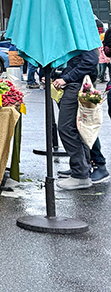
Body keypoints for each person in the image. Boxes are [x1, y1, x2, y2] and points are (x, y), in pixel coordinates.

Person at [53, 48, 101, 190]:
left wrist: (66, 78)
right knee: (76, 127)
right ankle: (81, 169)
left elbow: (90, 60)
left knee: (66, 128)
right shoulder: (80, 32)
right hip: (75, 84)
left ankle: (81, 173)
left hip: (76, 85)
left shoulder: (81, 32)